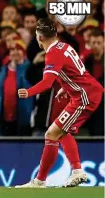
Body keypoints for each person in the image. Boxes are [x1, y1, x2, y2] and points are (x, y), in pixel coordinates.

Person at [16, 18, 104, 188]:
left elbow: (47, 83)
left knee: (51, 134)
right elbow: (76, 71)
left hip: (84, 97)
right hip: (86, 92)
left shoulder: (52, 54)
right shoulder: (64, 46)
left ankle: (40, 181)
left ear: (39, 37)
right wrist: (66, 88)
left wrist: (28, 92)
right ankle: (75, 170)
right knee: (61, 132)